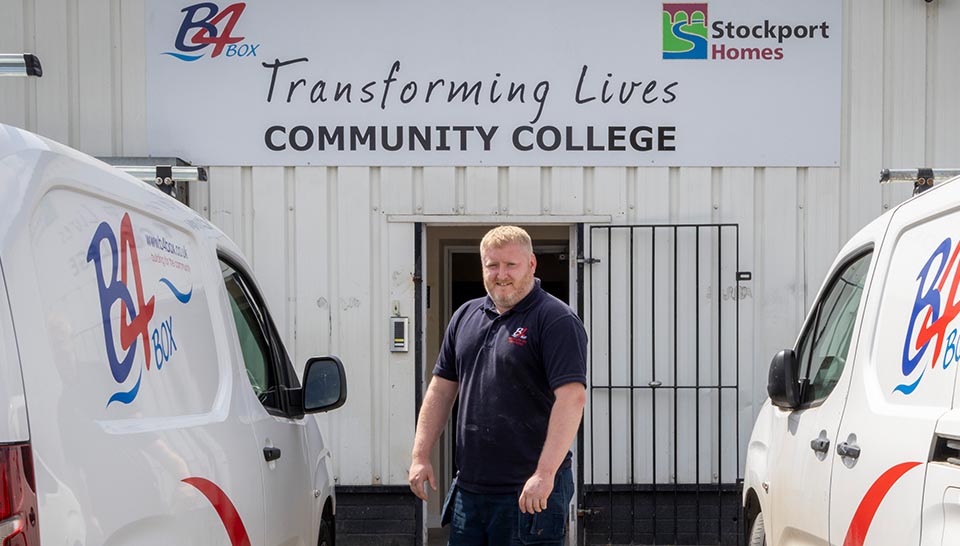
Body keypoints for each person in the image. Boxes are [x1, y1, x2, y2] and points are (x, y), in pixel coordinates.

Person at [408, 225, 588, 546]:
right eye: (492, 265)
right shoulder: (465, 315)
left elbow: (572, 398)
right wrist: (420, 455)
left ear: (531, 264)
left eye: (510, 265)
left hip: (528, 492)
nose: (501, 274)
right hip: (469, 492)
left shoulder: (555, 319)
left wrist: (545, 473)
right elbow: (441, 389)